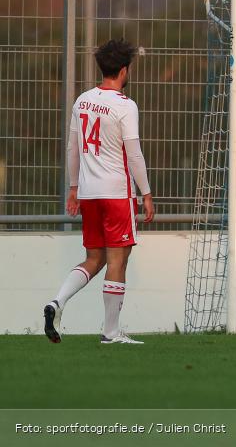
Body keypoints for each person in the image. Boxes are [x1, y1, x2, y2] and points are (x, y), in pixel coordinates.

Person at [44, 38, 154, 345]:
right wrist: (145, 193)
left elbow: (72, 147)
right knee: (118, 259)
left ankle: (57, 302)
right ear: (123, 70)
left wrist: (73, 187)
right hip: (116, 193)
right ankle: (111, 332)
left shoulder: (82, 100)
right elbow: (133, 154)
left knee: (94, 258)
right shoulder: (125, 106)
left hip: (89, 193)